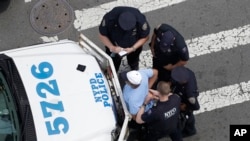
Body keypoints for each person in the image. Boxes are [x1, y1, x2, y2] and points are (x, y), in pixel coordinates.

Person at [99, 6, 150, 71]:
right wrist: (111, 47)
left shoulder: (140, 20)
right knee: (112, 64)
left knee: (133, 60)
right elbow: (102, 35)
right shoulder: (110, 18)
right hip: (114, 46)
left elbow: (145, 37)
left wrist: (133, 48)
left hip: (133, 46)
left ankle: (133, 67)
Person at [120, 68, 158, 140]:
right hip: (148, 105)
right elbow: (155, 72)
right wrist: (147, 88)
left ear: (131, 83)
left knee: (138, 125)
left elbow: (135, 117)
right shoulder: (141, 74)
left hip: (142, 112)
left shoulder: (132, 99)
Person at [170, 66, 200, 137]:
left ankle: (190, 131)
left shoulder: (189, 94)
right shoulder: (188, 72)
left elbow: (196, 106)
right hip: (180, 97)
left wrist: (185, 107)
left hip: (185, 104)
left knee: (188, 117)